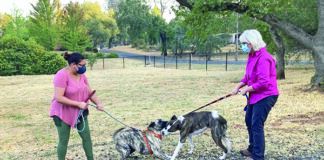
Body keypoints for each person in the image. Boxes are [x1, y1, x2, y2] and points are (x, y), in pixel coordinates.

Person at [231, 29, 279, 160]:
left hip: (266, 95)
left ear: (251, 43)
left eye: (244, 43)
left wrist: (246, 90)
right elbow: (248, 76)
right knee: (249, 120)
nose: (242, 46)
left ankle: (258, 156)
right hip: (256, 95)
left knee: (256, 124)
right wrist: (238, 86)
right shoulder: (252, 56)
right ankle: (252, 149)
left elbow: (264, 82)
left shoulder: (264, 58)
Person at [50, 52, 104, 160]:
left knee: (87, 138)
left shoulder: (81, 75)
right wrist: (78, 104)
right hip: (62, 113)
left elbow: (90, 92)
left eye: (85, 65)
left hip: (80, 112)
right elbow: (59, 97)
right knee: (64, 141)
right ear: (73, 65)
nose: (84, 67)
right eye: (82, 65)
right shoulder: (61, 75)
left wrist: (98, 103)